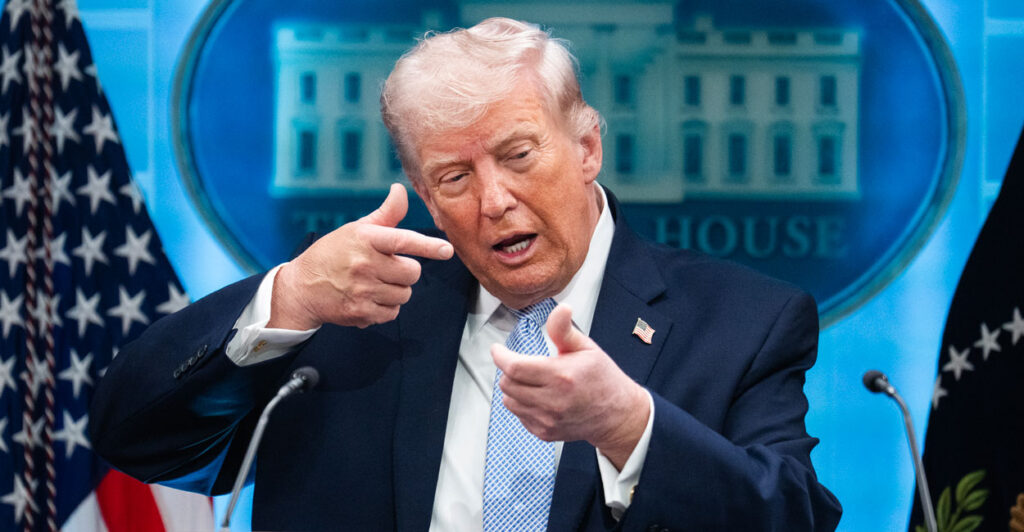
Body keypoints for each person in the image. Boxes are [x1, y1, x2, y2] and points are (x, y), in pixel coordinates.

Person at [90, 17, 841, 531]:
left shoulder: (743, 322)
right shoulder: (353, 314)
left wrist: (629, 428)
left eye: (518, 156)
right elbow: (137, 440)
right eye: (453, 178)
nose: (493, 201)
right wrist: (289, 296)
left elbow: (793, 518)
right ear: (425, 198)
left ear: (586, 148)